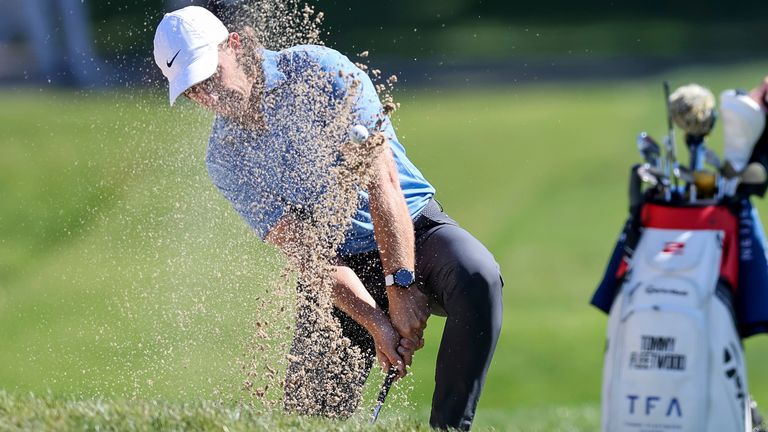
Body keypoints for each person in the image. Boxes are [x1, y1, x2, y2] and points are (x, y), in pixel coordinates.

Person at [153, 6, 503, 430]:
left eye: (210, 77)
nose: (208, 97)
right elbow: (311, 256)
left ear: (235, 45)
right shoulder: (225, 158)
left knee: (477, 274)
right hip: (337, 269)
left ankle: (449, 428)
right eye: (193, 91)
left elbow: (384, 183)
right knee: (308, 418)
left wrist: (401, 283)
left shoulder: (318, 69)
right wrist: (377, 322)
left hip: (413, 231)